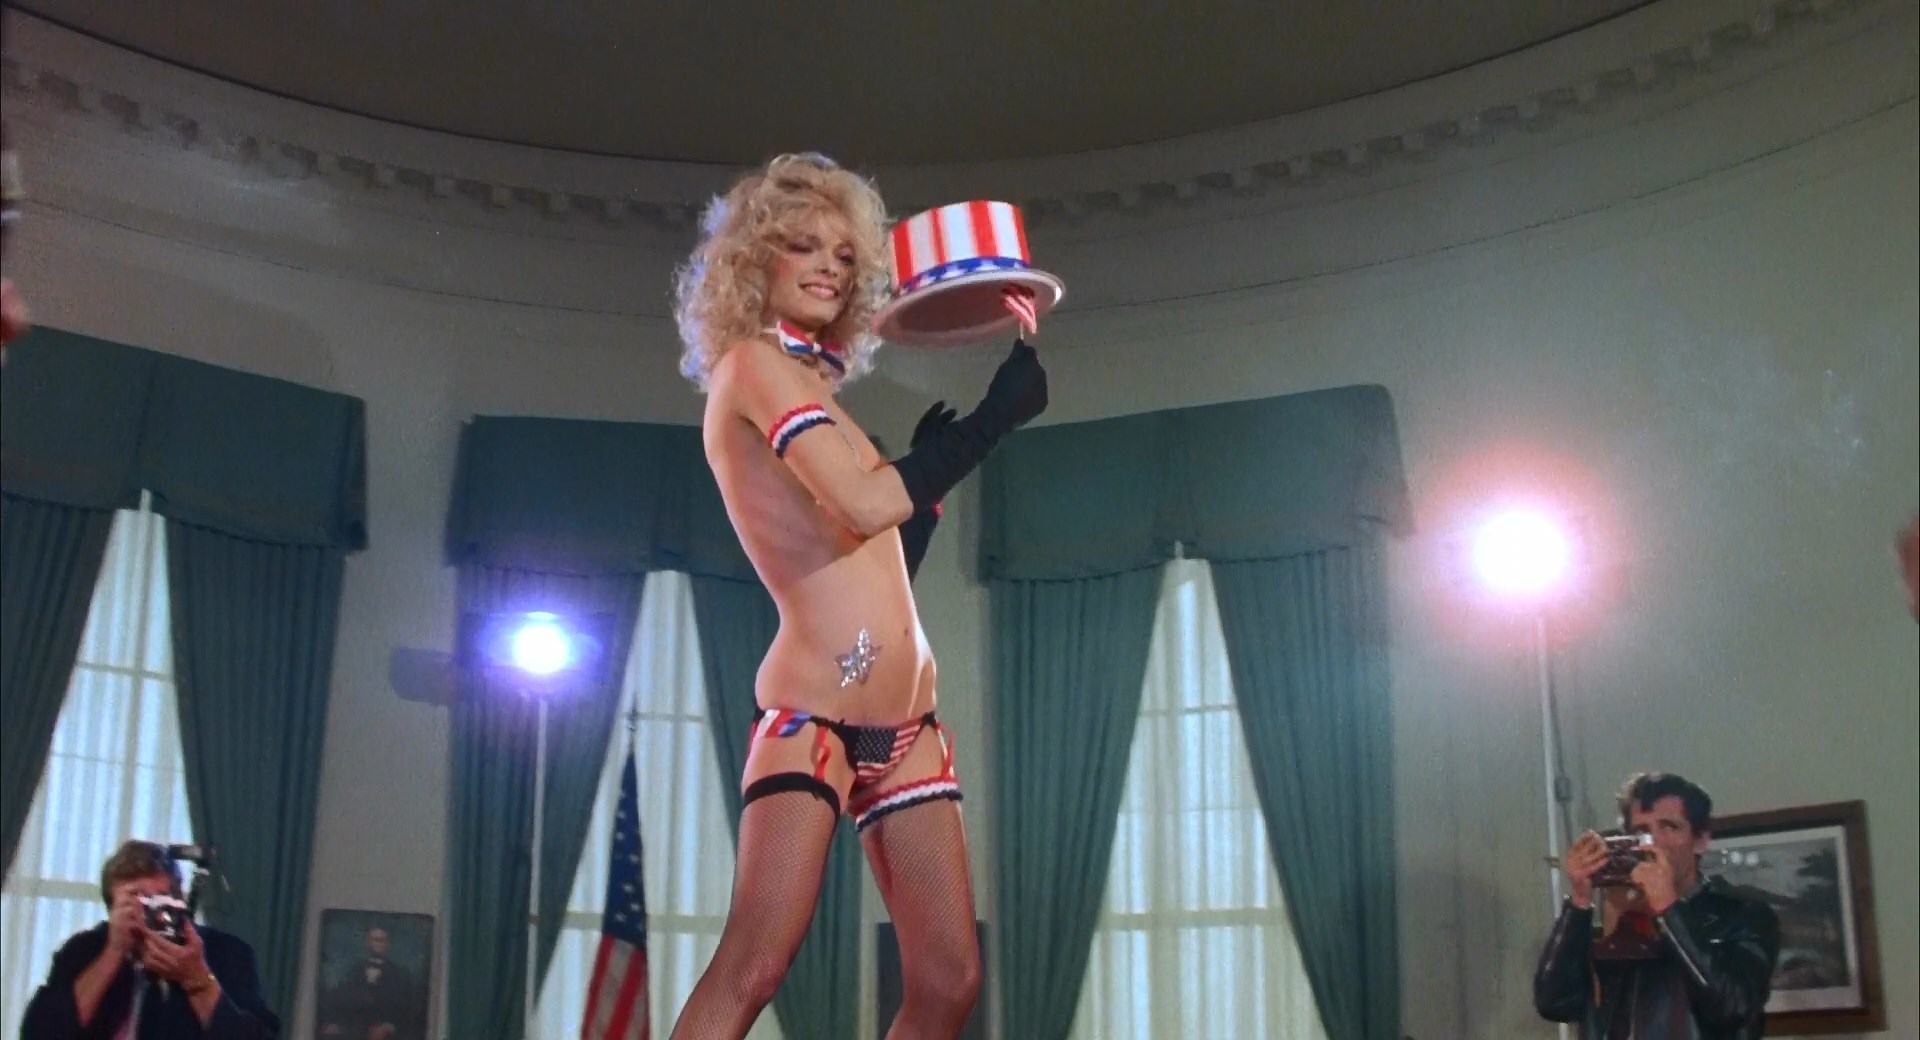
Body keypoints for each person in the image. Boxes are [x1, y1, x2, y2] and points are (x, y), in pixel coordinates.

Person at [668, 152, 1046, 1040]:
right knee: (754, 966)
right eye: (804, 245)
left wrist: (928, 497)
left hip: (909, 725)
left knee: (949, 981)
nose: (830, 268)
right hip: (817, 717)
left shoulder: (815, 393)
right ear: (755, 258)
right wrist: (989, 423)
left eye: (845, 255)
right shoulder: (752, 367)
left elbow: (867, 552)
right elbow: (867, 503)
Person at [1535, 772, 1781, 1039]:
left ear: (1700, 840)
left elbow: (1732, 1006)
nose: (1655, 843)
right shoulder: (1617, 925)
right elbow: (1555, 1003)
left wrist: (1669, 909)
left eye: (1669, 827)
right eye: (1641, 832)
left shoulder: (1745, 917)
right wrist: (1580, 902)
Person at [20, 839, 279, 1039]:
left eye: (159, 901)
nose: (150, 914)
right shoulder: (85, 950)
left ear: (179, 902)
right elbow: (41, 1033)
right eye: (137, 901)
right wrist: (112, 953)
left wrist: (198, 980)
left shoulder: (226, 953)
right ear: (112, 908)